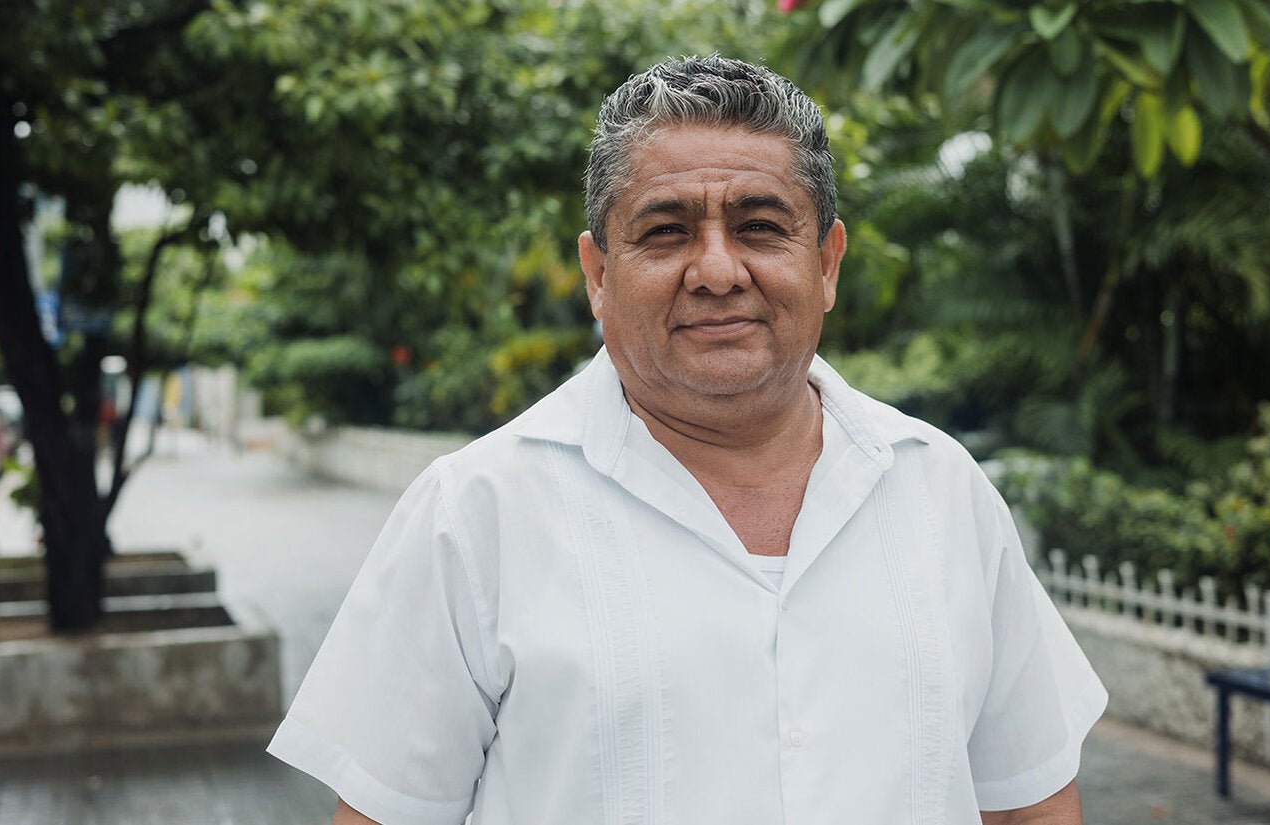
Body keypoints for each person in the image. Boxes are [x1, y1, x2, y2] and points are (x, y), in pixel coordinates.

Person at [268, 56, 1107, 825]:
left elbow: (1028, 803)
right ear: (599, 274)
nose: (716, 271)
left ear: (827, 263)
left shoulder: (942, 492)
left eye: (760, 225)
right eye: (666, 230)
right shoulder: (474, 514)